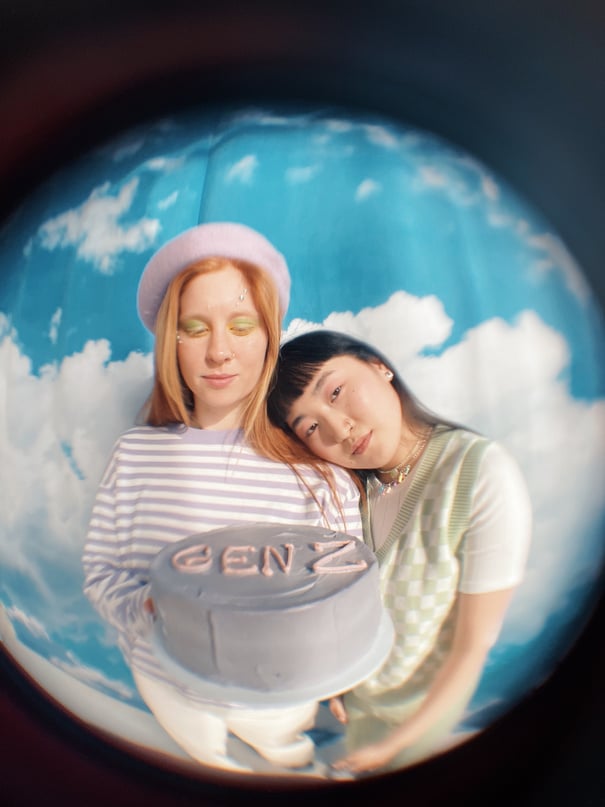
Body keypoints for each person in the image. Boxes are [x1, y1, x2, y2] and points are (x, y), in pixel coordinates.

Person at [82, 224, 363, 773]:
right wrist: (148, 609)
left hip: (282, 700)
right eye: (194, 328)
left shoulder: (319, 476)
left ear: (268, 336)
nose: (218, 351)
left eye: (240, 325)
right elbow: (102, 572)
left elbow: (343, 592)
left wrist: (341, 671)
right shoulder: (136, 454)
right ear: (172, 342)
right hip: (170, 697)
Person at [266, 329, 532, 776]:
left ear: (378, 365)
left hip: (429, 733)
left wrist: (397, 746)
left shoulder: (478, 472)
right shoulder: (348, 496)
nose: (338, 428)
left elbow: (474, 648)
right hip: (360, 724)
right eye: (310, 426)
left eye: (335, 391)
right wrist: (336, 678)